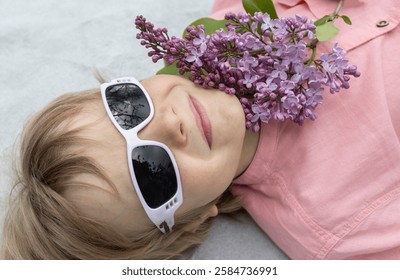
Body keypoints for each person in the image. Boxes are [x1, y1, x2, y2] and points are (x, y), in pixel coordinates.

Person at [1, 0, 399, 259]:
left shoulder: (228, 25)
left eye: (126, 106)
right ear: (192, 220)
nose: (169, 124)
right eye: (152, 173)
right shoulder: (340, 230)